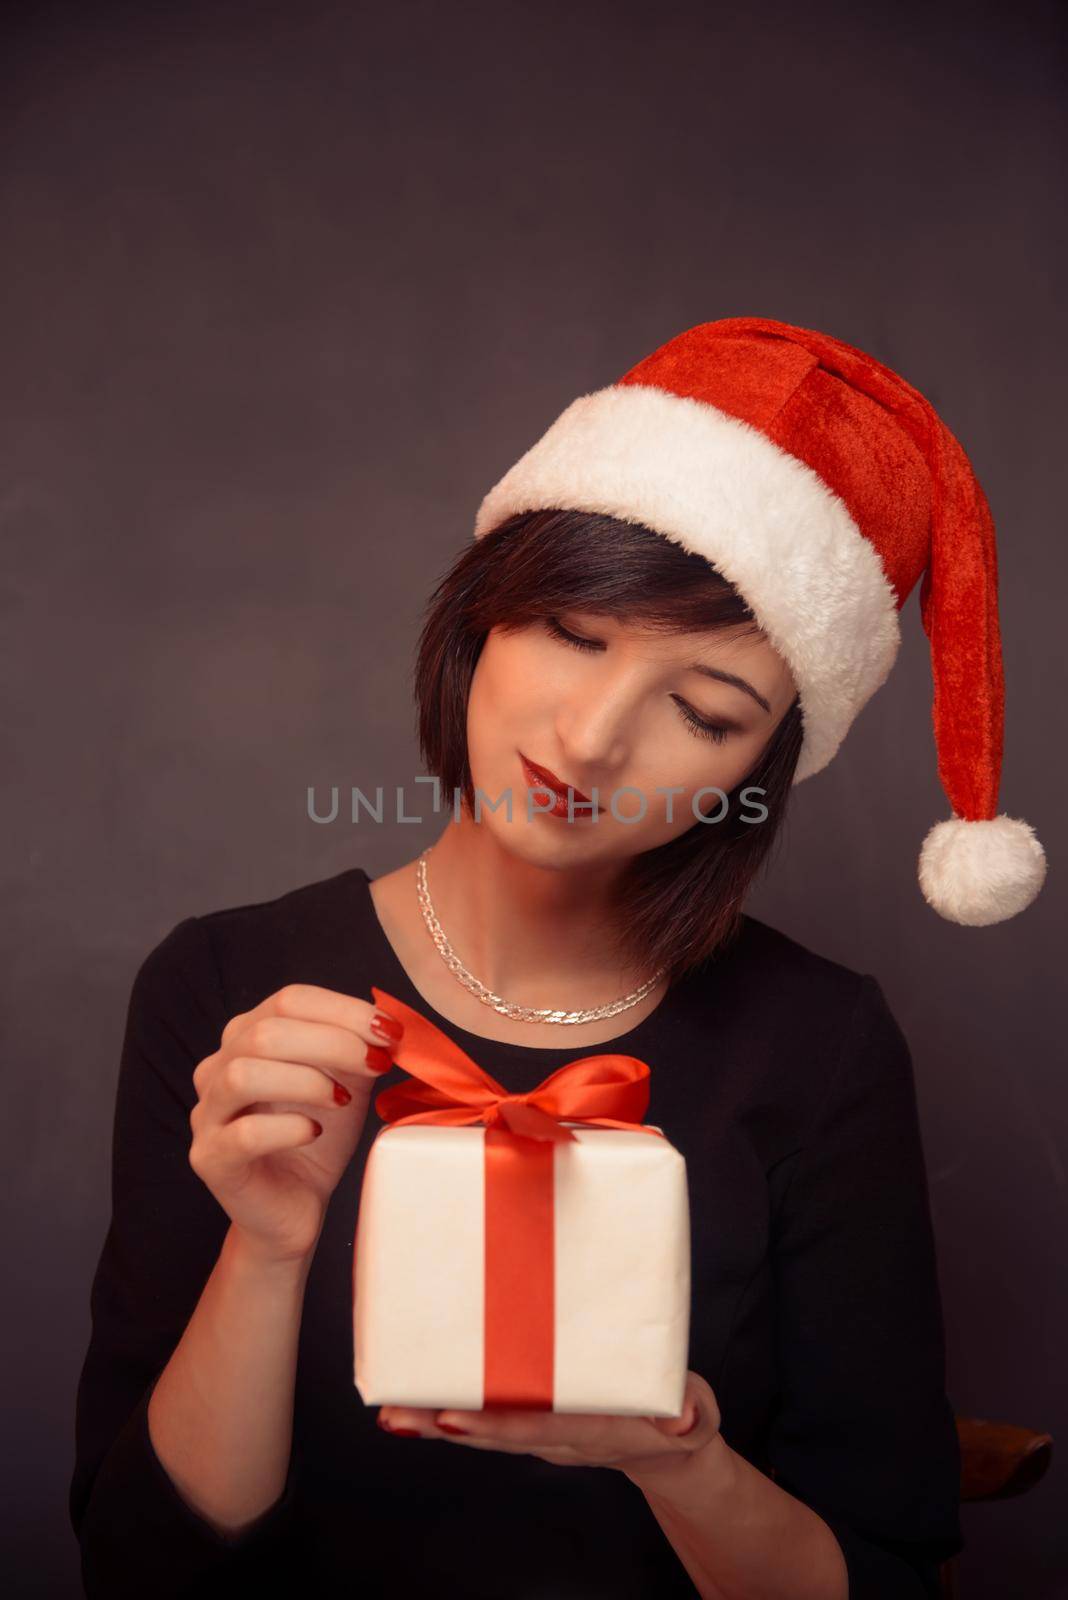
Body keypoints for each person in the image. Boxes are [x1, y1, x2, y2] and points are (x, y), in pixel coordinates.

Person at [70, 316, 1046, 1599]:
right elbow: (142, 1564)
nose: (590, 741)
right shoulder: (229, 988)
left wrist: (681, 1460)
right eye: (574, 634)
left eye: (703, 710)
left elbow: (889, 1571)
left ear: (762, 768)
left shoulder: (821, 1045)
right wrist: (266, 1249)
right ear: (482, 615)